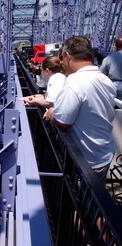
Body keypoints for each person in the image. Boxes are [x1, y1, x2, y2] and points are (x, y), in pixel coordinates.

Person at [44, 36, 117, 184]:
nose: (62, 64)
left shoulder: (74, 82)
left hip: (86, 160)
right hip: (104, 153)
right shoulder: (104, 79)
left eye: (62, 59)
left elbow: (63, 121)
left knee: (81, 202)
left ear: (67, 56)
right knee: (97, 200)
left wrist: (52, 112)